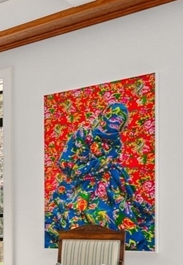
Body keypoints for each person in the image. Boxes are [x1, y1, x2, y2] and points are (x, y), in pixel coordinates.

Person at [45, 102, 154, 250]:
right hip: (79, 185)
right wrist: (89, 167)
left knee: (115, 218)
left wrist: (94, 166)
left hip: (110, 186)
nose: (113, 124)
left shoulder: (116, 144)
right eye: (112, 117)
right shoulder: (83, 134)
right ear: (104, 116)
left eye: (119, 121)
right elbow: (65, 163)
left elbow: (70, 163)